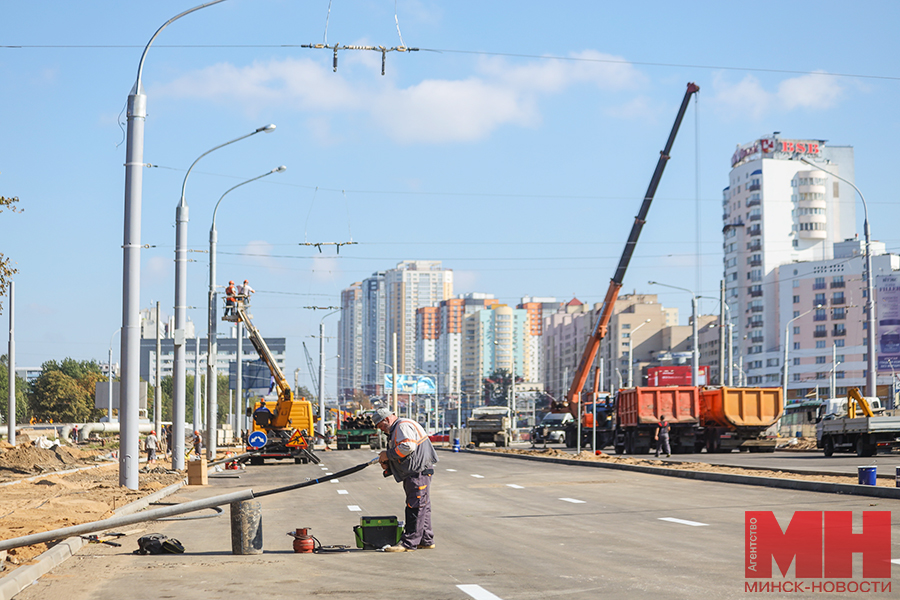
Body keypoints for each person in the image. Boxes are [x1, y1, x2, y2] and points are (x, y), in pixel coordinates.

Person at [373, 407, 438, 552]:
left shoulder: (402, 426)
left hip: (418, 472)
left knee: (415, 506)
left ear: (387, 419)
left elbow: (408, 447)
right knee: (423, 506)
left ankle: (408, 543)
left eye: (382, 426)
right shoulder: (399, 427)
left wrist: (388, 454)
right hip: (417, 471)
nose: (382, 430)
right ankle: (426, 540)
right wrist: (389, 462)